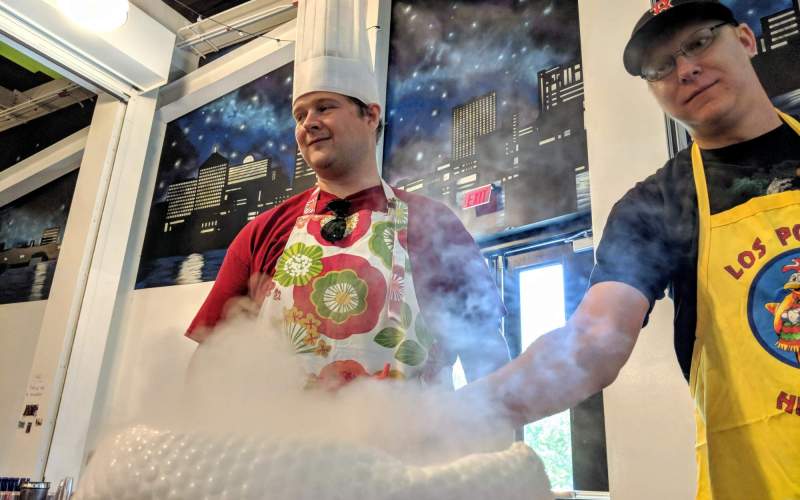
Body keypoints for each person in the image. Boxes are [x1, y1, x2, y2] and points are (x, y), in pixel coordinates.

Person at [467, 1, 800, 498]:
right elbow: (594, 341)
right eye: (660, 67)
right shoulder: (655, 206)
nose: (685, 69)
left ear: (747, 40)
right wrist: (466, 410)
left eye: (701, 41)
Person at [187, 0, 508, 389]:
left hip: (412, 445)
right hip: (280, 448)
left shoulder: (434, 223)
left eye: (324, 107)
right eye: (300, 115)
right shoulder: (262, 233)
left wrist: (488, 437)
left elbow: (485, 351)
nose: (309, 124)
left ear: (370, 116)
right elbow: (210, 362)